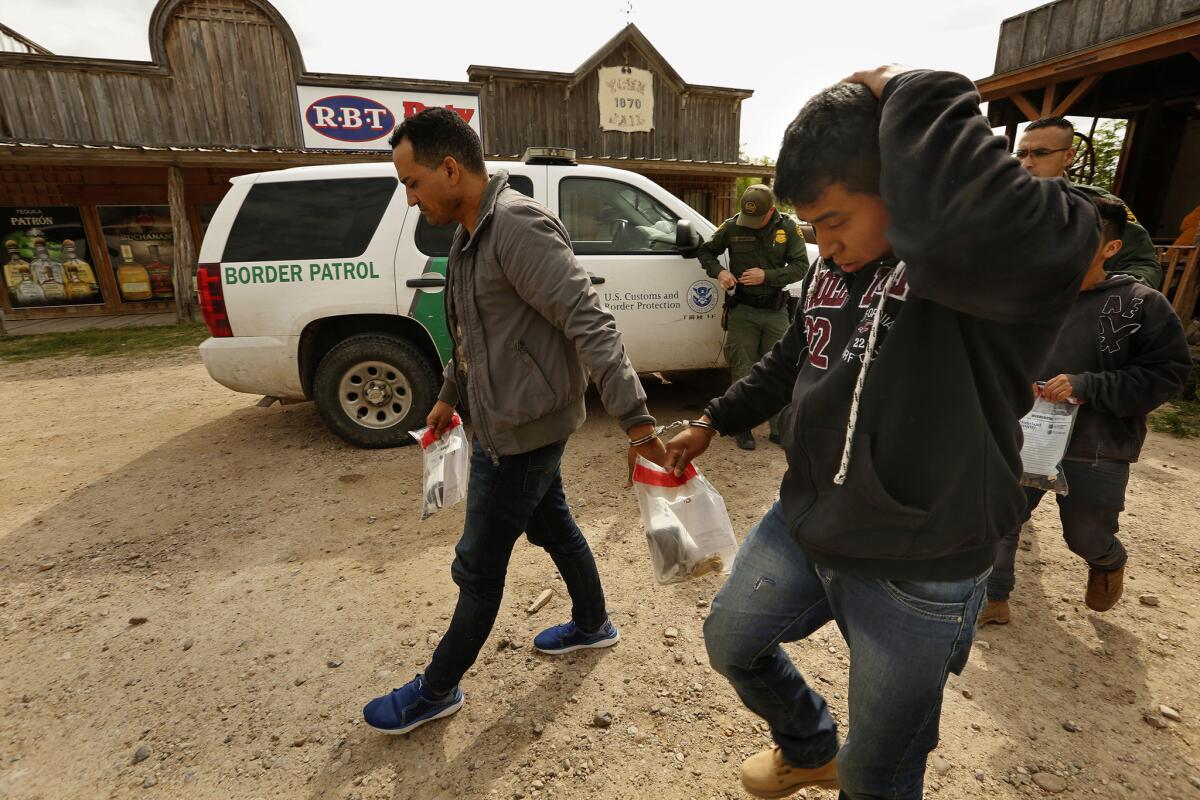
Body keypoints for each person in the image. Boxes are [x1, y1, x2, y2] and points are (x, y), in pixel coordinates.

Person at [662, 66, 1102, 799]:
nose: (824, 246)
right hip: (810, 522)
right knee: (730, 642)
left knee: (880, 769)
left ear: (900, 184)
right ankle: (807, 747)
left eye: (835, 222)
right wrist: (715, 418)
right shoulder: (834, 271)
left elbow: (1026, 223)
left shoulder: (983, 265)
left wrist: (910, 84)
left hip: (922, 561)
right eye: (812, 229)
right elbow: (793, 357)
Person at [363, 108, 667, 735]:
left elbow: (590, 320)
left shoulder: (518, 227)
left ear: (450, 169)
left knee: (478, 567)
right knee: (552, 523)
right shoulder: (469, 230)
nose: (411, 199)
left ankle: (437, 689)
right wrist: (449, 391)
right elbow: (471, 331)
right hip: (504, 419)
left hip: (523, 430)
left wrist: (637, 421)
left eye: (413, 183)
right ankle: (592, 624)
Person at [979, 195, 1191, 626]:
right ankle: (993, 599)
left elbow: (1167, 374)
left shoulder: (1140, 304)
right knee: (1000, 518)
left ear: (1110, 248)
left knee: (1085, 534)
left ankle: (1107, 561)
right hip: (1026, 436)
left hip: (1097, 445)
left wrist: (1088, 385)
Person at [697, 184, 809, 450]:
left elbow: (801, 266)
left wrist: (766, 276)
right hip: (743, 310)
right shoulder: (733, 226)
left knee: (782, 368)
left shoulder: (789, 229)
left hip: (775, 311)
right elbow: (706, 251)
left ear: (771, 211)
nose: (752, 224)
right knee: (742, 366)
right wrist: (720, 273)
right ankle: (742, 427)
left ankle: (779, 428)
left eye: (758, 218)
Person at [1016, 117, 1162, 289]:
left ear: (1068, 156)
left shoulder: (1099, 206)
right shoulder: (1000, 204)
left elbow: (1142, 266)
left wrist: (1106, 300)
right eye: (1021, 154)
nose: (1027, 163)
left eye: (1041, 153)